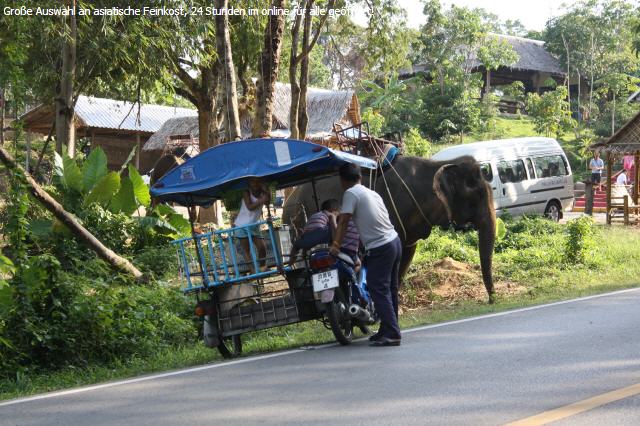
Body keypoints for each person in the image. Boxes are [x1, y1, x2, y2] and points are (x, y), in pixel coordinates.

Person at [331, 163, 402, 347]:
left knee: (377, 288)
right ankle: (389, 329)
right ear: (360, 177)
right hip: (394, 241)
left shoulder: (351, 193)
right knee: (390, 289)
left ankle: (392, 333)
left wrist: (336, 245)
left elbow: (344, 222)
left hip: (381, 246)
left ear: (342, 180)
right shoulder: (371, 193)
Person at [288, 199, 361, 269]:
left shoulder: (316, 215)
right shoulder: (331, 214)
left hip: (307, 235)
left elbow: (312, 235)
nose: (338, 215)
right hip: (320, 231)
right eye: (338, 213)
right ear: (333, 210)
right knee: (333, 229)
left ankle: (291, 262)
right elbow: (332, 226)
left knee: (296, 245)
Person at [234, 178, 270, 273]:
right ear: (249, 183)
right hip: (241, 225)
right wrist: (262, 199)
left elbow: (268, 202)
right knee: (246, 250)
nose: (255, 183)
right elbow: (250, 207)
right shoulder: (246, 192)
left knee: (262, 247)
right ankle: (253, 270)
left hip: (253, 225)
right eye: (253, 181)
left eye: (258, 181)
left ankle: (262, 267)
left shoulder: (263, 193)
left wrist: (266, 191)